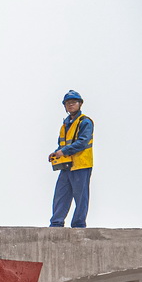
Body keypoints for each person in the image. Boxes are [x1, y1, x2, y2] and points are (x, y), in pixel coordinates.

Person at [48, 90, 94, 228]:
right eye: (68, 103)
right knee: (61, 195)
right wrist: (56, 153)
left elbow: (83, 142)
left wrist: (64, 151)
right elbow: (62, 144)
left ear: (80, 104)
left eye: (73, 102)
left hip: (81, 165)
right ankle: (56, 224)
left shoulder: (85, 122)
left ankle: (79, 225)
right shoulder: (65, 125)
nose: (71, 105)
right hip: (66, 165)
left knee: (81, 197)